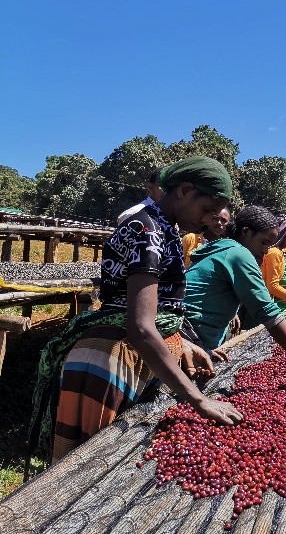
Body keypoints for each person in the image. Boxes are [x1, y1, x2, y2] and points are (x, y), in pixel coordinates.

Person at [29, 156, 244, 463]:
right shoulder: (147, 231)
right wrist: (199, 401)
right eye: (206, 209)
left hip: (121, 355)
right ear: (184, 191)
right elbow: (142, 328)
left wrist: (184, 343)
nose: (208, 219)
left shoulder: (165, 228)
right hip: (110, 362)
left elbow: (160, 307)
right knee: (88, 465)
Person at [182, 206, 286, 388]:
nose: (265, 250)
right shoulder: (240, 254)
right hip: (189, 335)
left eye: (269, 245)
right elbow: (269, 314)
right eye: (263, 242)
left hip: (188, 334)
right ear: (246, 232)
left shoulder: (220, 247)